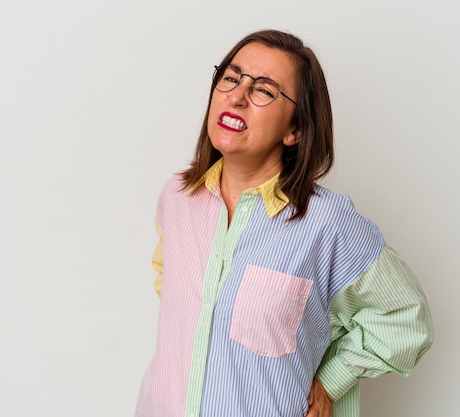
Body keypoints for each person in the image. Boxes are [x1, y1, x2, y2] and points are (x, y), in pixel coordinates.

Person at [135, 29, 434, 417]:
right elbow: (171, 283)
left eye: (264, 90)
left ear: (295, 129)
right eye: (231, 77)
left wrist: (332, 379)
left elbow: (405, 318)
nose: (237, 96)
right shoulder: (177, 197)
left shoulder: (328, 223)